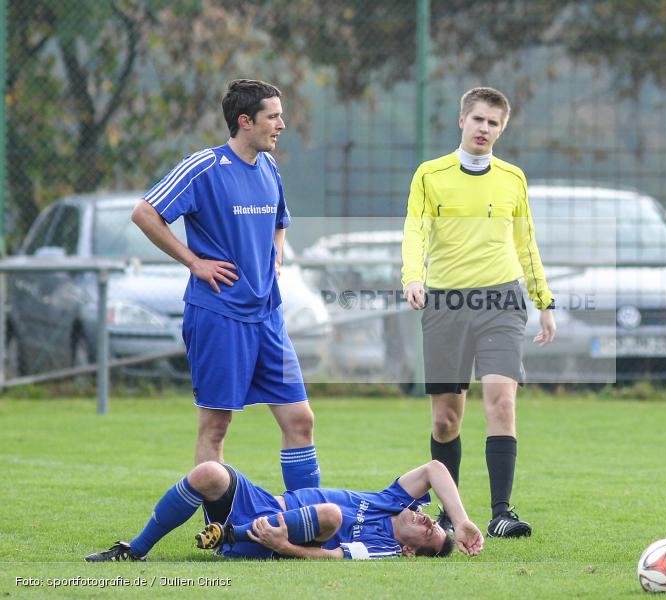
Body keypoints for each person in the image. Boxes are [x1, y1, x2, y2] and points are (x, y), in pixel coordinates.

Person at [131, 79, 320, 491]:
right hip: (219, 314)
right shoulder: (203, 167)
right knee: (216, 426)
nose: (282, 125)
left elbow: (280, 222)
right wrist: (194, 262)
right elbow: (145, 213)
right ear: (245, 121)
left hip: (267, 316)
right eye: (274, 116)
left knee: (300, 420)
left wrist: (276, 255)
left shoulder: (269, 167)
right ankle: (217, 529)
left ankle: (306, 520)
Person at [401, 87, 556, 539]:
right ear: (462, 121)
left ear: (502, 129)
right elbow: (416, 231)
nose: (484, 129)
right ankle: (449, 512)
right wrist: (413, 275)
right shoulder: (430, 175)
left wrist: (543, 301)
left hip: (502, 302)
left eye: (493, 123)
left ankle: (502, 512)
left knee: (502, 403)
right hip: (446, 304)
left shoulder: (513, 179)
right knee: (445, 419)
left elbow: (526, 244)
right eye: (478, 120)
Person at [84, 460, 483, 561]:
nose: (430, 521)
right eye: (434, 521)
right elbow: (435, 469)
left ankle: (231, 536)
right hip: (262, 503)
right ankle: (134, 549)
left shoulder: (386, 547)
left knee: (330, 516)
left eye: (431, 533)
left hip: (273, 537)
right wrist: (460, 521)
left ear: (411, 551)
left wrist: (284, 545)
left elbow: (331, 557)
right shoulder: (393, 500)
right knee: (208, 473)